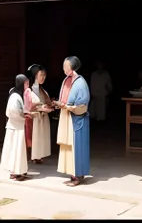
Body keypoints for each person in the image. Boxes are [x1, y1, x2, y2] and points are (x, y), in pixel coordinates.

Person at [53, 56, 91, 187]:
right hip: (67, 116)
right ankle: (71, 173)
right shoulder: (67, 80)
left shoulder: (80, 82)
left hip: (76, 118)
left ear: (72, 67)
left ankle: (78, 175)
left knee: (77, 147)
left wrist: (68, 107)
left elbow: (82, 105)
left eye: (66, 66)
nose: (64, 68)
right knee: (68, 146)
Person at [0, 74, 30, 181]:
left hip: (15, 126)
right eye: (26, 83)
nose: (27, 86)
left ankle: (15, 171)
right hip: (16, 127)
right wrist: (24, 116)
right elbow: (13, 112)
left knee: (14, 150)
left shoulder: (17, 94)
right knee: (16, 150)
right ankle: (17, 172)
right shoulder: (15, 96)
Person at [26, 64, 52, 164]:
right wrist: (40, 108)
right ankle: (32, 155)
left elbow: (46, 101)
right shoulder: (29, 90)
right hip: (34, 117)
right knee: (34, 136)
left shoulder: (42, 90)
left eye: (44, 75)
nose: (43, 77)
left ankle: (38, 155)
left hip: (42, 116)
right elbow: (28, 104)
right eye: (41, 75)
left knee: (41, 137)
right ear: (35, 75)